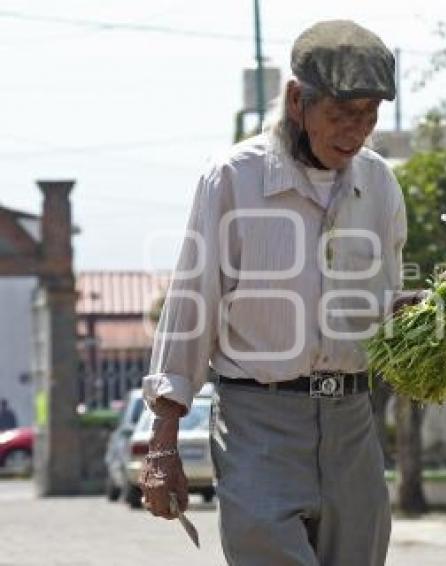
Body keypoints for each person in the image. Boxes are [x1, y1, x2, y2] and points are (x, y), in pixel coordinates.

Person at [140, 20, 419, 565]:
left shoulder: (379, 183)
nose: (355, 131)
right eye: (340, 114)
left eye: (368, 116)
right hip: (257, 422)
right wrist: (163, 441)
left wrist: (407, 321)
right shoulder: (233, 180)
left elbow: (384, 298)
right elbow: (191, 307)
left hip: (352, 421)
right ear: (298, 101)